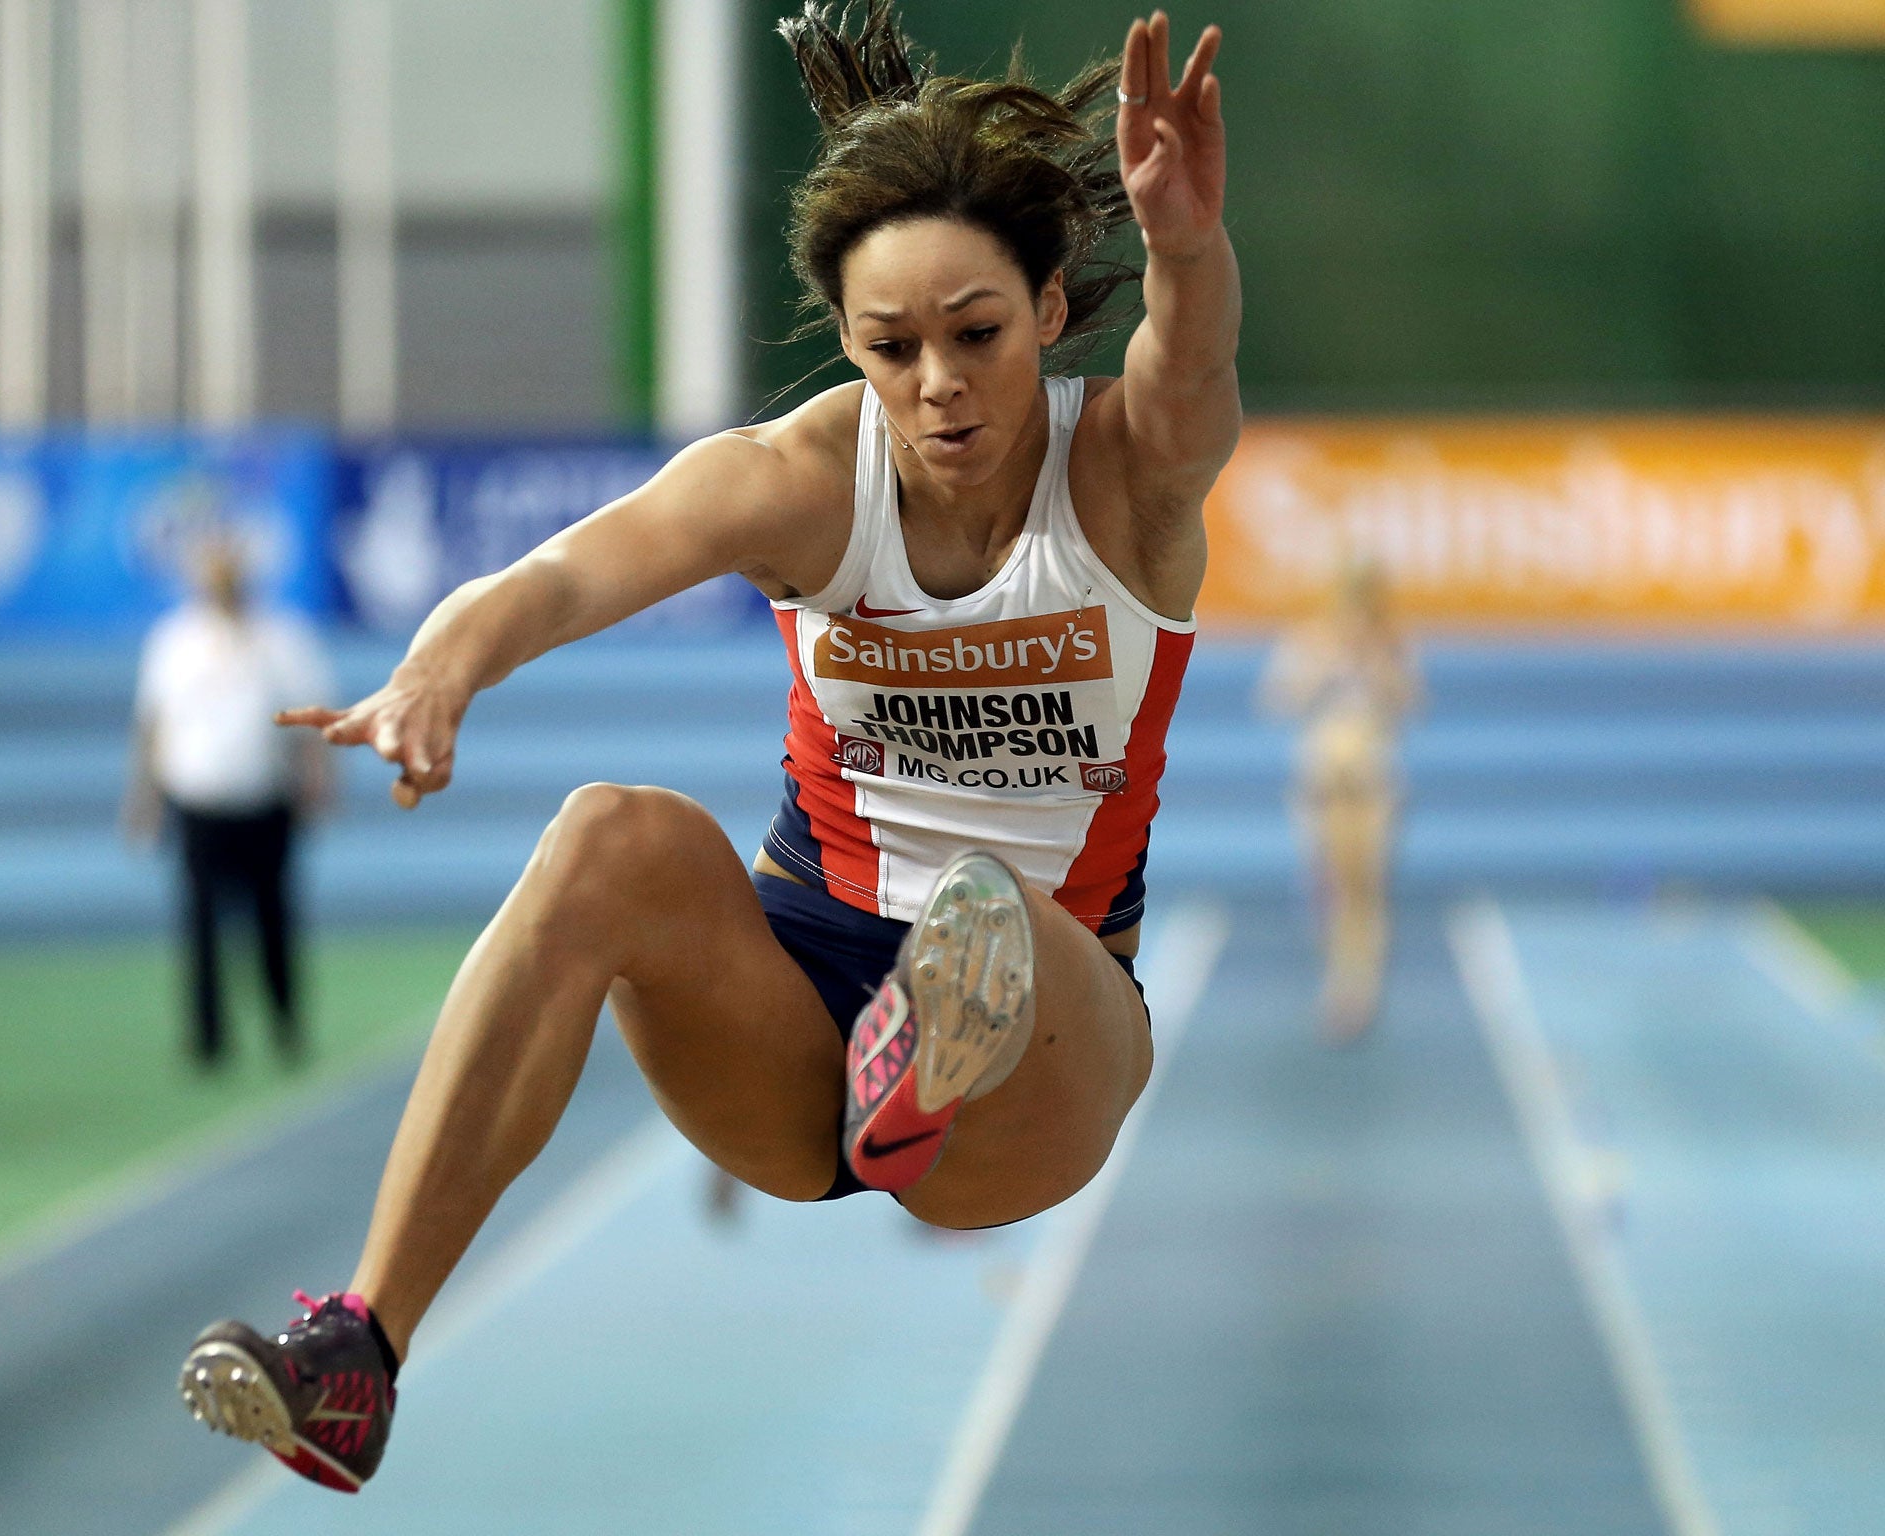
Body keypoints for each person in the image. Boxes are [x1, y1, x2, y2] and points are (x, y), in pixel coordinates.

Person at [176, 3, 1240, 1493]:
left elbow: (1190, 376)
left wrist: (1186, 248)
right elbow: (563, 573)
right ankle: (361, 1352)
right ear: (853, 347)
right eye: (894, 347)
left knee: (992, 914)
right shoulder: (804, 479)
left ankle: (931, 1055)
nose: (938, 384)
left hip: (1043, 1042)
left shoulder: (1125, 480)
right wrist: (441, 667)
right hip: (796, 1013)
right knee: (610, 834)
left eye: (977, 335)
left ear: (1054, 311)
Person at [124, 534, 334, 1068]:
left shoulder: (283, 638)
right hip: (197, 801)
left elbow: (309, 721)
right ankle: (208, 1038)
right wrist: (144, 799)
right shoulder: (174, 641)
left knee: (273, 920)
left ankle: (285, 1025)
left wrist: (318, 781)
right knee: (200, 924)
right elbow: (152, 725)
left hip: (265, 799)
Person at [1257, 559, 1420, 1042]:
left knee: (1366, 885)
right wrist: (1325, 667)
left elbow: (1411, 704)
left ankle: (1357, 985)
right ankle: (1337, 969)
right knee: (1330, 884)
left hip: (1372, 781)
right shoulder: (1310, 641)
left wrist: (1375, 663)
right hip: (1322, 781)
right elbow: (1276, 701)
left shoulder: (1391, 644)